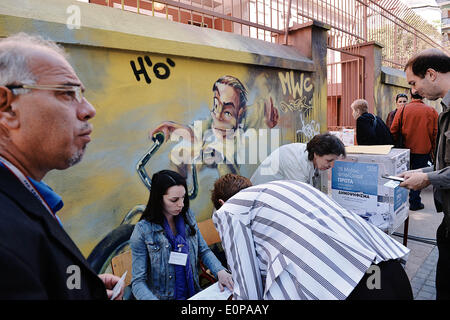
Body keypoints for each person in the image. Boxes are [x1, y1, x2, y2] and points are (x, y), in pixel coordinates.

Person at [0, 33, 123, 299]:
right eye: (67, 93)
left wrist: (82, 288)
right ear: (7, 107)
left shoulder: (25, 193)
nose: (88, 109)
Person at [211, 174, 413, 300]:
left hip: (347, 290)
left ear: (221, 203)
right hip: (385, 271)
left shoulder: (229, 210)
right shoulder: (283, 188)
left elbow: (248, 294)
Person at [130, 169, 233, 300]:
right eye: (174, 200)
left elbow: (203, 251)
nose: (181, 204)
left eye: (183, 197)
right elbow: (138, 282)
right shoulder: (143, 230)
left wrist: (220, 271)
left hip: (194, 294)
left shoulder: (187, 216)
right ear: (158, 199)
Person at [398, 48, 450, 300]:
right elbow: (444, 163)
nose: (414, 91)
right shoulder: (441, 110)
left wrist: (428, 178)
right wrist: (422, 171)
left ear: (430, 74)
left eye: (413, 83)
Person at [390, 90, 438, 211]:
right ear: (423, 95)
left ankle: (400, 201)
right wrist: (433, 150)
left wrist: (394, 146)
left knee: (403, 174)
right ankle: (414, 202)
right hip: (423, 149)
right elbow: (435, 134)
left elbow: (394, 130)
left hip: (404, 149)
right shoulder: (431, 111)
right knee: (418, 175)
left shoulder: (402, 109)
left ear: (410, 96)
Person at [250, 133, 346, 188]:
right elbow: (301, 197)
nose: (331, 165)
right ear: (316, 154)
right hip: (261, 196)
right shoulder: (294, 162)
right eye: (329, 161)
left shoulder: (312, 157)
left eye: (334, 161)